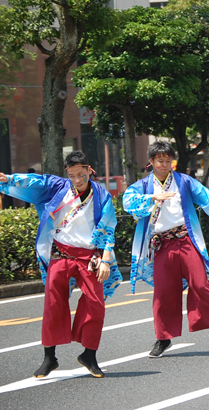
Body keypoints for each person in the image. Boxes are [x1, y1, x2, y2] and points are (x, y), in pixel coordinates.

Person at [0, 151, 122, 378]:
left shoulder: (101, 194)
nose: (77, 179)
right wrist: (11, 179)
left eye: (81, 174)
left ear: (89, 170)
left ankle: (89, 354)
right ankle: (49, 357)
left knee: (96, 304)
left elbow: (108, 226)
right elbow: (38, 181)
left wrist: (105, 259)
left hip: (89, 256)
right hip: (60, 254)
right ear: (67, 173)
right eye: (73, 175)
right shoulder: (58, 187)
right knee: (54, 304)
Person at [124, 141, 209, 358]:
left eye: (168, 161)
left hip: (185, 239)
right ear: (151, 162)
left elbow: (207, 197)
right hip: (161, 245)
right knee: (163, 293)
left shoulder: (183, 181)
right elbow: (128, 202)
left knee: (200, 283)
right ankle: (163, 338)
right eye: (160, 161)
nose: (165, 165)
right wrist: (153, 197)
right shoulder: (143, 186)